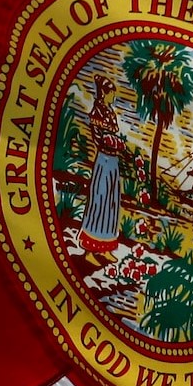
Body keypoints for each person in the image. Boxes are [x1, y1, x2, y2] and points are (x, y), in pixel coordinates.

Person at [79, 75, 125, 255]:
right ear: (104, 93)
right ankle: (90, 251)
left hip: (113, 162)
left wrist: (118, 144)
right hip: (104, 160)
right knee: (100, 200)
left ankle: (105, 248)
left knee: (111, 203)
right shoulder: (98, 111)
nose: (114, 96)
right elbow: (100, 137)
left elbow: (111, 136)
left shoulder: (110, 111)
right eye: (112, 93)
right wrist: (113, 143)